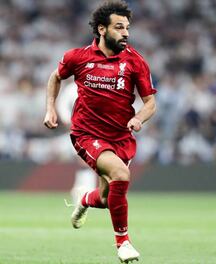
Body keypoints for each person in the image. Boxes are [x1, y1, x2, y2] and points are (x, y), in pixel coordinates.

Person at [43, 1, 157, 262]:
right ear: (102, 29)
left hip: (121, 137)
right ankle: (123, 243)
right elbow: (55, 77)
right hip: (87, 134)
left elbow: (150, 102)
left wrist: (139, 118)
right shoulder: (77, 57)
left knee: (107, 198)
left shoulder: (135, 62)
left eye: (127, 27)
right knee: (121, 173)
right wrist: (50, 108)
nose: (126, 33)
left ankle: (85, 199)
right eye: (119, 27)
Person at [57, 83, 97, 204]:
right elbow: (61, 105)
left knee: (91, 161)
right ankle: (84, 193)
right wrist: (68, 122)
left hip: (95, 128)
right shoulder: (71, 89)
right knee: (85, 160)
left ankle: (84, 192)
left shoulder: (97, 85)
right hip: (78, 128)